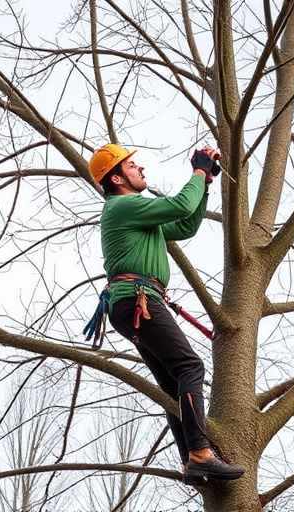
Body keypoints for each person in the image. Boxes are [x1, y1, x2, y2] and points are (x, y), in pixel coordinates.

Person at [88, 143, 245, 484]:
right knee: (190, 366)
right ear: (116, 178)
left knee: (175, 383)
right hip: (138, 300)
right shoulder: (123, 205)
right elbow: (179, 204)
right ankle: (201, 453)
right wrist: (199, 171)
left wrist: (203, 185)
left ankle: (190, 462)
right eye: (132, 167)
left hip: (133, 304)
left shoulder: (140, 217)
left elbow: (185, 224)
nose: (141, 169)